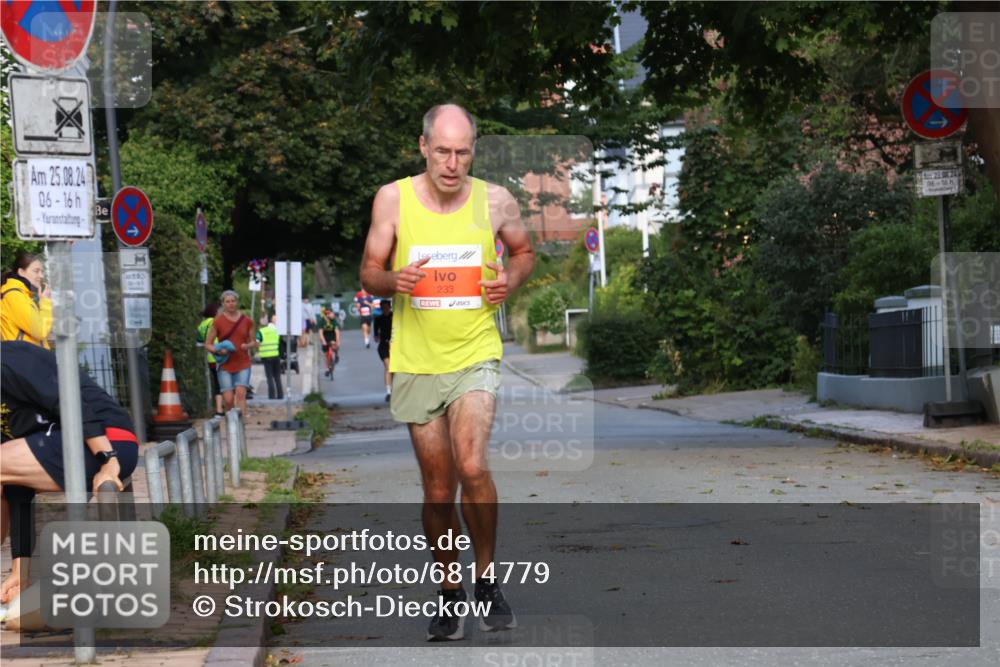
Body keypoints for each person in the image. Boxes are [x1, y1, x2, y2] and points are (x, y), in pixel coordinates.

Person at [360, 103, 535, 641]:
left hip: (475, 354)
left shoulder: (495, 201)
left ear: (472, 152)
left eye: (462, 152)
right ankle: (449, 590)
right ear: (423, 147)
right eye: (442, 151)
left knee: (472, 465)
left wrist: (511, 277)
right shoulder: (392, 199)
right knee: (438, 490)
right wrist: (395, 281)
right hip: (416, 361)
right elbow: (368, 272)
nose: (452, 163)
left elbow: (524, 252)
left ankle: (485, 577)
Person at [0, 341, 139, 611]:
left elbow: (71, 401)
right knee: (9, 481)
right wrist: (21, 570)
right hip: (69, 444)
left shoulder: (10, 359)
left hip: (108, 439)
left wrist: (108, 462)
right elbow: (19, 489)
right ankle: (21, 583)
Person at [204, 290, 257, 418]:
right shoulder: (218, 322)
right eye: (227, 301)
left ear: (237, 302)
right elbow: (207, 344)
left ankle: (241, 425)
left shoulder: (247, 321)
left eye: (233, 301)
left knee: (240, 393)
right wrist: (218, 350)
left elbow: (254, 342)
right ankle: (231, 423)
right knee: (228, 399)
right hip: (225, 364)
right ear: (223, 304)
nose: (231, 304)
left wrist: (247, 346)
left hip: (243, 363)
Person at [1, 252, 52, 348]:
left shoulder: (22, 295)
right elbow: (40, 331)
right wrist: (45, 302)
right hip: (25, 359)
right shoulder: (14, 296)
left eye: (42, 272)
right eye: (36, 271)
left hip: (30, 358)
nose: (41, 276)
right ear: (21, 272)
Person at [197, 303, 225, 416]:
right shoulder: (217, 322)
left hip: (210, 358)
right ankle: (227, 407)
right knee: (227, 383)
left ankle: (219, 409)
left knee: (217, 383)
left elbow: (199, 343)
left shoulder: (202, 325)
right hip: (222, 355)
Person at [256, 314, 283, 399]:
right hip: (276, 355)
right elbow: (280, 343)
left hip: (266, 357)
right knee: (277, 376)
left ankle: (271, 396)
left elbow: (257, 343)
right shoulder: (278, 331)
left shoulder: (261, 331)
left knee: (269, 376)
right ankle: (280, 395)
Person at [373, 298, 393, 402]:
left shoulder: (394, 317)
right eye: (383, 308)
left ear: (389, 307)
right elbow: (376, 336)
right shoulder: (378, 319)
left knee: (397, 370)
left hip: (396, 346)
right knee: (388, 367)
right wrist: (377, 336)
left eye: (387, 307)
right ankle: (388, 392)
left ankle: (398, 390)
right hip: (384, 346)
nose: (385, 309)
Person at [318, 306, 341, 379]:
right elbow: (320, 332)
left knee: (334, 344)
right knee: (326, 355)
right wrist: (323, 341)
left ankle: (336, 354)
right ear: (327, 314)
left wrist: (337, 341)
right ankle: (328, 368)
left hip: (332, 336)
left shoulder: (334, 320)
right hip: (325, 337)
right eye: (331, 313)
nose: (333, 315)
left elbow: (337, 332)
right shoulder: (322, 321)